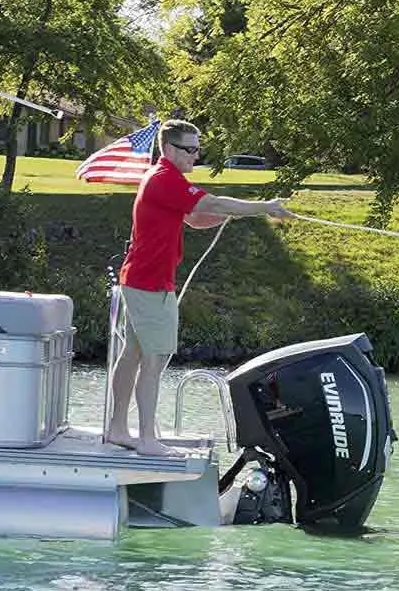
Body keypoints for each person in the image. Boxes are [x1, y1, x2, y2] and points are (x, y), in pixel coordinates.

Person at [105, 118, 293, 457]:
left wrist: (237, 214)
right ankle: (146, 439)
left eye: (197, 149)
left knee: (133, 354)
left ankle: (118, 429)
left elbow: (194, 218)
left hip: (141, 280)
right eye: (189, 149)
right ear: (168, 148)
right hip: (150, 285)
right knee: (154, 359)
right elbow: (213, 203)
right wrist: (264, 207)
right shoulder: (164, 179)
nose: (196, 155)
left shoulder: (166, 180)